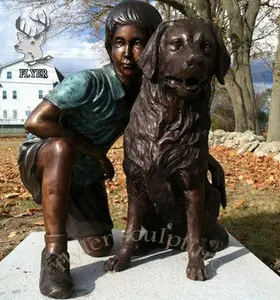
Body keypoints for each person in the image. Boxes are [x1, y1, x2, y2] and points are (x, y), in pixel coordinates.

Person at [18, 0, 225, 298]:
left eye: (137, 43)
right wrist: (94, 151)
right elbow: (36, 122)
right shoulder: (87, 82)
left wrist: (203, 157)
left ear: (154, 47)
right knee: (61, 149)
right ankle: (54, 254)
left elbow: (168, 134)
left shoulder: (148, 87)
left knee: (100, 248)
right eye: (118, 43)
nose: (127, 54)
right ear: (108, 47)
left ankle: (71, 211)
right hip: (44, 159)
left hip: (84, 174)